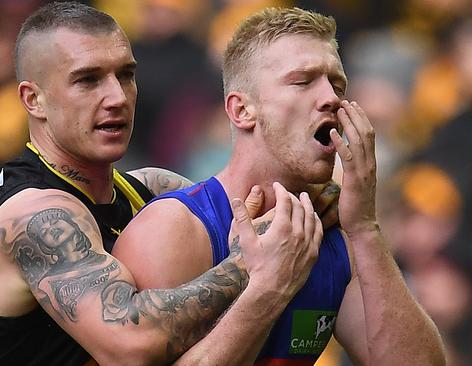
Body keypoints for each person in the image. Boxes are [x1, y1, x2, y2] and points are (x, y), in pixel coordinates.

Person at [0, 2, 340, 365]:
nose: (117, 97)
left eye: (126, 75)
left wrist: (314, 200)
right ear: (34, 99)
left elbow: (248, 217)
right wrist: (248, 264)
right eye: (88, 80)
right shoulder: (35, 215)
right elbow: (131, 345)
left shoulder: (153, 188)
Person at [114, 7, 447, 365]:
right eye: (303, 81)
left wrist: (365, 228)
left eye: (337, 84)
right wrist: (268, 287)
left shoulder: (334, 236)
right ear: (242, 110)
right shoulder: (175, 230)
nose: (331, 98)